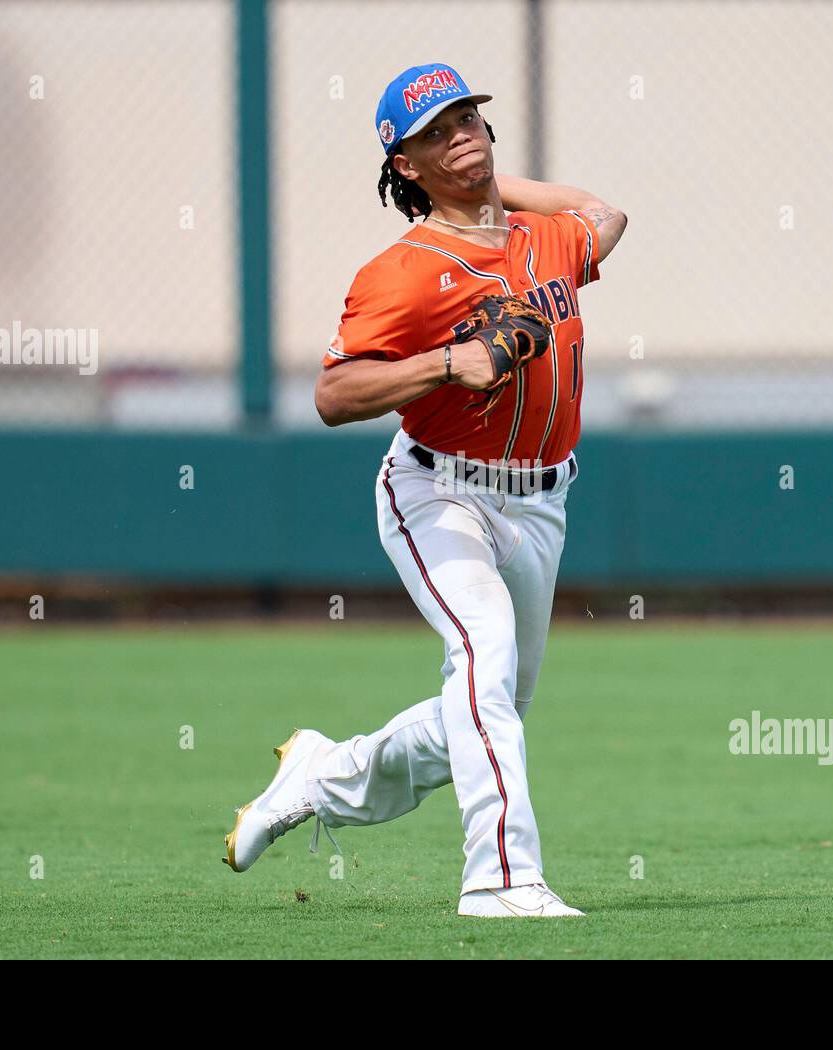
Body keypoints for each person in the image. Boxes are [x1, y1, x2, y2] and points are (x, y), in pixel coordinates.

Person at [224, 63, 627, 918]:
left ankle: (320, 779)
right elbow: (335, 396)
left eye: (469, 119)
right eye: (439, 132)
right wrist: (451, 360)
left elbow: (607, 214)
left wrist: (485, 188)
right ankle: (502, 882)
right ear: (405, 163)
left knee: (488, 707)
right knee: (482, 661)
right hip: (439, 493)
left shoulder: (541, 237)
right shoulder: (403, 272)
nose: (464, 135)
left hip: (543, 501)